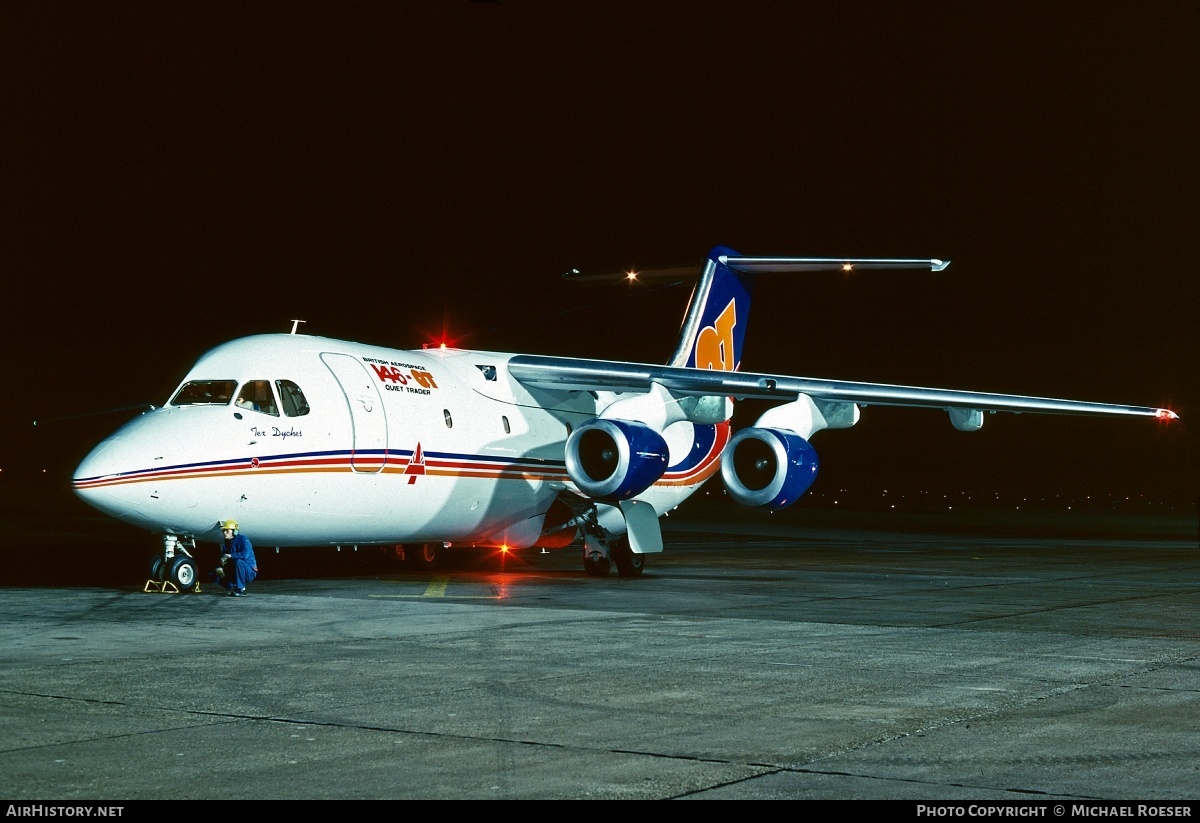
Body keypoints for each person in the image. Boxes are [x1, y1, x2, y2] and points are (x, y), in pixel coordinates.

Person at [215, 519, 257, 597]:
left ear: (234, 531)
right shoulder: (226, 544)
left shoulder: (243, 539)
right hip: (237, 569)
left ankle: (241, 589)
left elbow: (245, 555)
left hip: (249, 571)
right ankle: (231, 585)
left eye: (227, 530)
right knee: (214, 573)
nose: (224, 533)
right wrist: (220, 567)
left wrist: (231, 556)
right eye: (223, 530)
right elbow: (223, 557)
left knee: (238, 562)